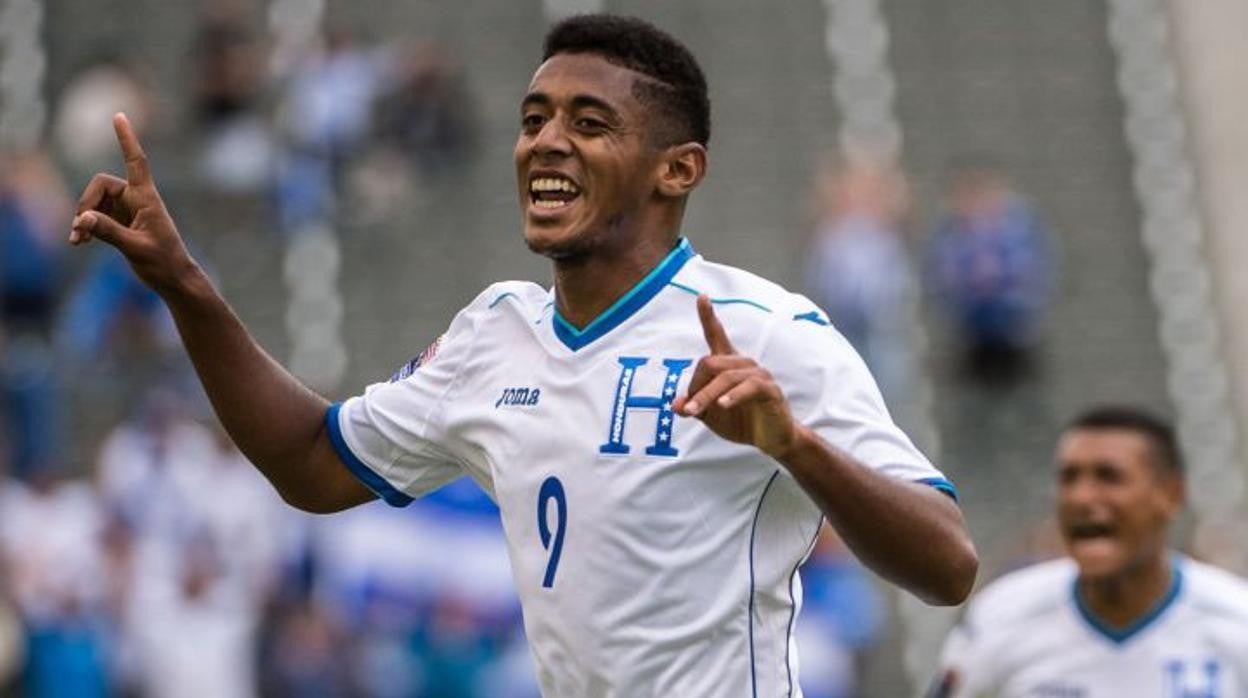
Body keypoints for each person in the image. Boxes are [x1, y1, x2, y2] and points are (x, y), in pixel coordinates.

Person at [68, 15, 976, 696]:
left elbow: (948, 564)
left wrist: (793, 447)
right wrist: (184, 283)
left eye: (589, 122)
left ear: (678, 169)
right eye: (534, 117)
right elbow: (311, 464)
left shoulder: (765, 332)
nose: (546, 141)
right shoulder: (493, 332)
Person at [930, 406, 1248, 698]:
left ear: (1171, 493)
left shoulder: (1236, 620)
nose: (1081, 497)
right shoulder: (1001, 614)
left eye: (1108, 476)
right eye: (1069, 478)